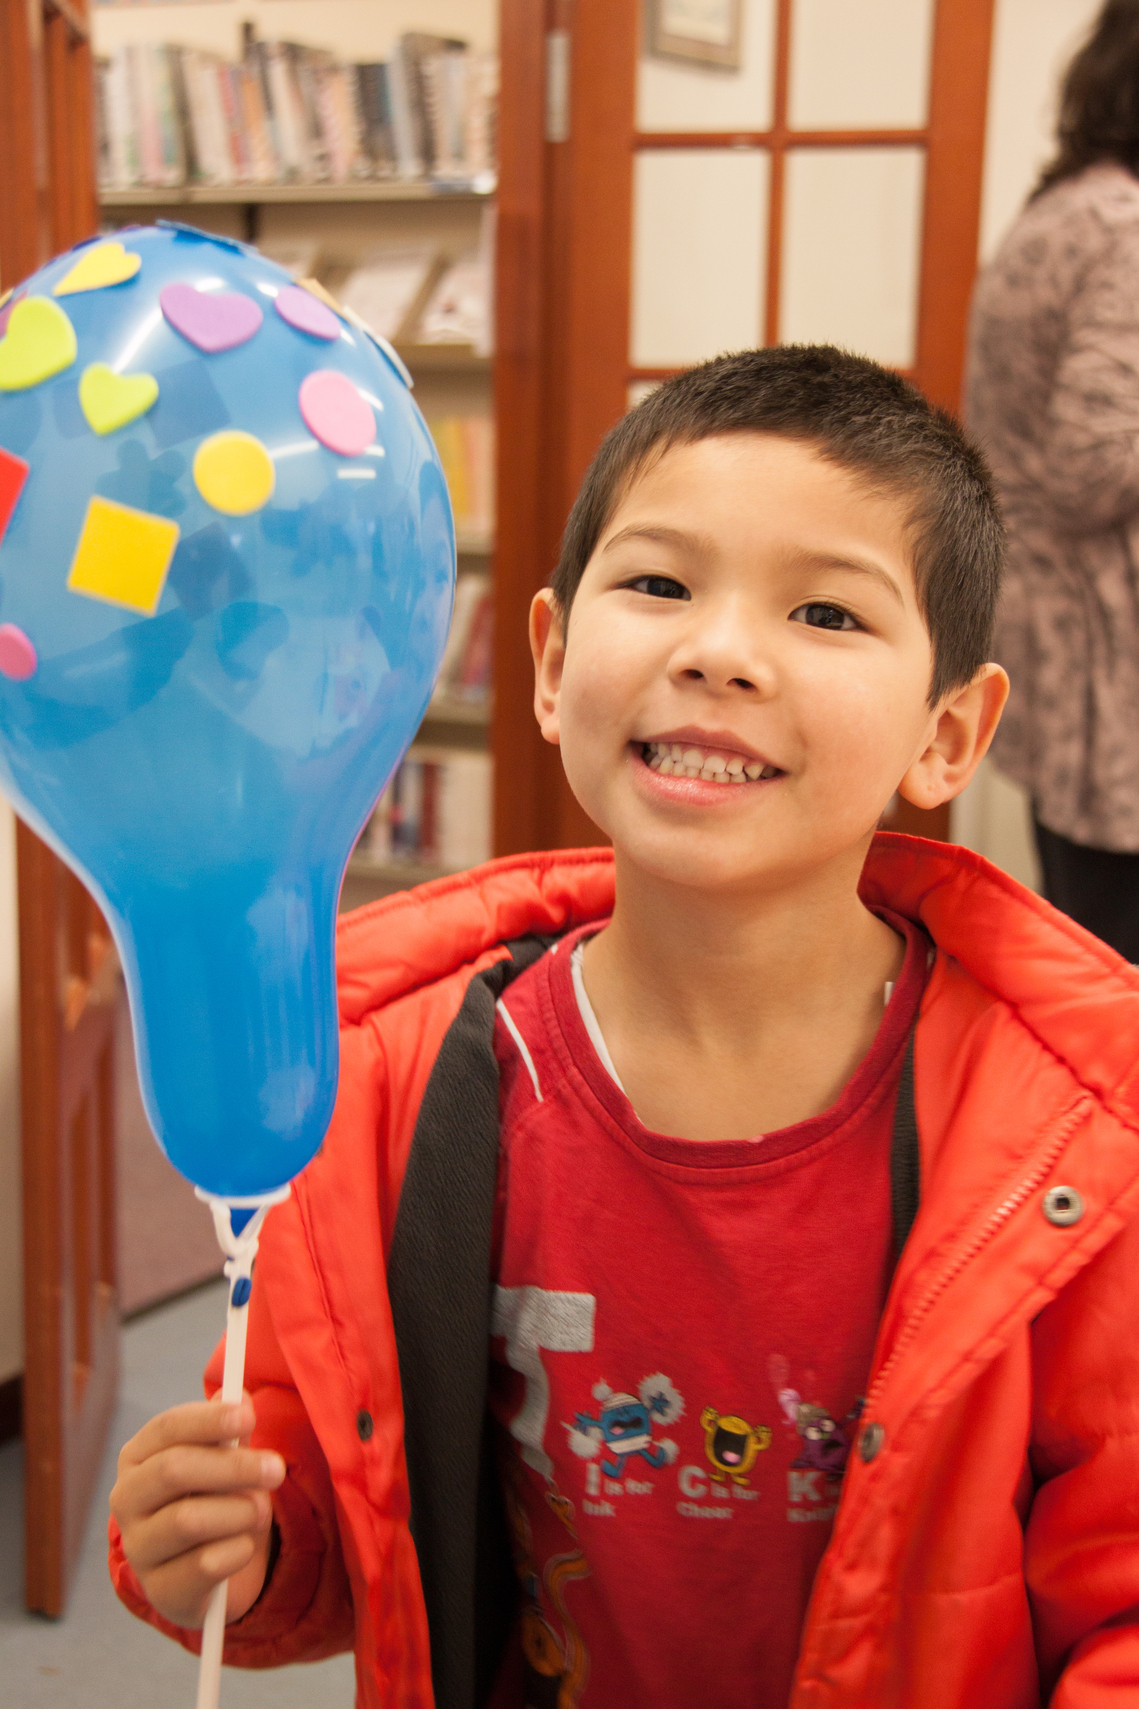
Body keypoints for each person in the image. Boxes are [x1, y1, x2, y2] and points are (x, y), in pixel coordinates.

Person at [108, 347, 1139, 1709]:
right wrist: (243, 1554)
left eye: (825, 614)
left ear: (945, 733)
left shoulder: (1066, 1139)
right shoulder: (391, 1087)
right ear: (547, 662)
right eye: (656, 584)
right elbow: (349, 1489)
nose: (716, 651)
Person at [967, 0, 1139, 960]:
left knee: (1088, 946)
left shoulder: (1059, 211)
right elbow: (1091, 462)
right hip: (1106, 669)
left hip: (1060, 651)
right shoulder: (1124, 226)